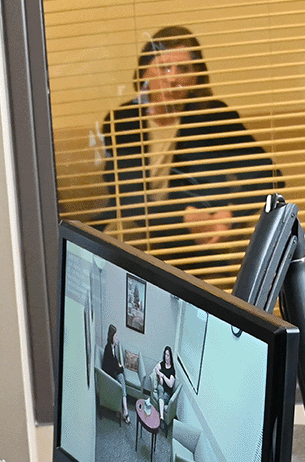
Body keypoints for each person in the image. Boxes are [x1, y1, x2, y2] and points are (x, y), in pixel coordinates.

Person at [98, 26, 282, 271]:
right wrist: (184, 216)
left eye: (183, 69)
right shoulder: (122, 121)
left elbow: (268, 176)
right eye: (163, 67)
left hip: (199, 240)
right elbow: (129, 197)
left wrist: (228, 215)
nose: (172, 78)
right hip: (143, 230)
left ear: (196, 77)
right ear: (144, 72)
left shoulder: (213, 116)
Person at [100, 324, 131, 424]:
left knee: (122, 378)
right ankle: (125, 410)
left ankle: (125, 409)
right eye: (116, 336)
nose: (117, 338)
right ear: (112, 337)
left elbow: (115, 361)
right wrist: (120, 368)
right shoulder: (108, 348)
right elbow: (110, 367)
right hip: (109, 375)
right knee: (122, 378)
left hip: (113, 372)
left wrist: (119, 366)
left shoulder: (113, 347)